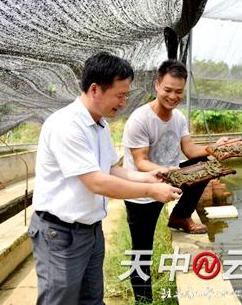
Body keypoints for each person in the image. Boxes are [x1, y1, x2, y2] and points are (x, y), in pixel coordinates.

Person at [28, 52, 182, 305]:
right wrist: (151, 192)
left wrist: (149, 177)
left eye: (125, 95)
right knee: (60, 300)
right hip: (60, 233)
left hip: (90, 231)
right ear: (95, 89)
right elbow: (97, 182)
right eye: (119, 95)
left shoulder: (99, 125)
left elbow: (112, 169)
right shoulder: (66, 125)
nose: (123, 102)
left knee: (92, 300)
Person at [122, 59, 227, 303]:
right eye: (167, 89)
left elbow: (189, 151)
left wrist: (212, 148)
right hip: (143, 190)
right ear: (157, 85)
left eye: (178, 91)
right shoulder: (140, 119)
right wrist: (166, 170)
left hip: (171, 177)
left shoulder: (178, 118)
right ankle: (143, 300)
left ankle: (179, 216)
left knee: (204, 168)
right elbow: (141, 162)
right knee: (142, 251)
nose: (173, 96)